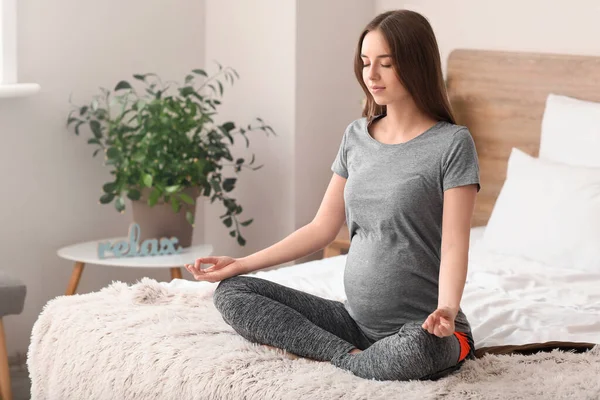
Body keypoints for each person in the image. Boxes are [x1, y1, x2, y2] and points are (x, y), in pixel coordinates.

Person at [184, 9, 480, 382]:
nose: (371, 75)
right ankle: (352, 357)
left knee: (420, 350)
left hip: (427, 330)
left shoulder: (453, 144)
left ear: (416, 64)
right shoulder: (356, 136)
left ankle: (352, 359)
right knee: (233, 292)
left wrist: (448, 309)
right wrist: (242, 263)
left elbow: (455, 245)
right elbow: (321, 228)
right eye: (365, 62)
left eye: (385, 64)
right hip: (353, 323)